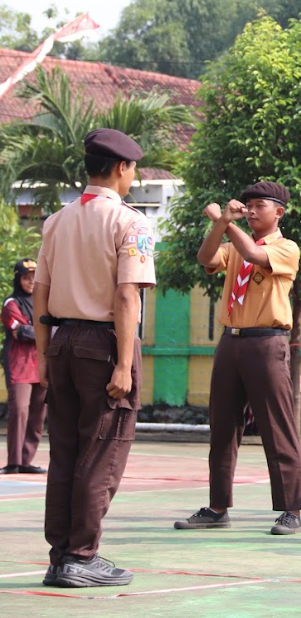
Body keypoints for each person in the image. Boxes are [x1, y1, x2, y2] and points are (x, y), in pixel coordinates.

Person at [33, 128, 155, 587]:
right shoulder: (131, 223)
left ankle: (61, 554)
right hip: (104, 345)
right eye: (133, 168)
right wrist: (124, 363)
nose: (134, 174)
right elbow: (127, 297)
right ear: (122, 168)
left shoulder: (58, 220)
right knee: (103, 449)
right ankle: (81, 556)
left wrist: (45, 356)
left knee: (65, 451)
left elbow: (41, 292)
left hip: (62, 343)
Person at [174, 181, 301, 536]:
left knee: (276, 427)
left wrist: (224, 219)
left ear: (279, 212)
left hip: (266, 342)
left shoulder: (286, 248)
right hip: (231, 341)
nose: (250, 210)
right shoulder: (233, 244)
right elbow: (205, 258)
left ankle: (291, 508)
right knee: (222, 427)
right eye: (246, 204)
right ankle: (218, 506)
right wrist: (219, 225)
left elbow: (253, 256)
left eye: (259, 205)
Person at [2, 258, 47, 475]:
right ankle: (14, 462)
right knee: (19, 410)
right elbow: (19, 331)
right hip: (19, 365)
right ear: (18, 278)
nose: (30, 282)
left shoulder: (43, 301)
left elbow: (46, 328)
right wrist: (42, 331)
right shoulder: (11, 303)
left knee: (38, 414)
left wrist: (35, 331)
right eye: (26, 277)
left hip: (42, 365)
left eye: (34, 278)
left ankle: (27, 460)